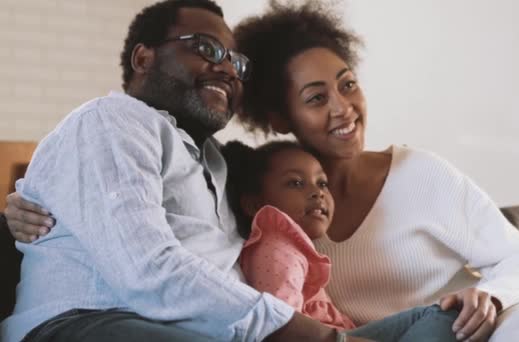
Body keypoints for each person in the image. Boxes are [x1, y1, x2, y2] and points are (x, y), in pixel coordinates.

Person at [4, 1, 519, 341]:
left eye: (348, 84)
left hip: (274, 332)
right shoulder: (229, 172)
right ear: (281, 116)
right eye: (314, 97)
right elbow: (139, 252)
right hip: (146, 323)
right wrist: (24, 203)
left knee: (455, 326)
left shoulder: (226, 167)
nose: (341, 107)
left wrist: (489, 299)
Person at [0, 0, 372, 341]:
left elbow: (290, 193)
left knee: (426, 323)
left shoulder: (223, 163)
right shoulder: (112, 121)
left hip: (204, 331)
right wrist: (317, 336)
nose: (227, 69)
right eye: (206, 48)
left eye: (237, 63)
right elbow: (147, 272)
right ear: (143, 59)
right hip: (92, 321)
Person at [221, 140, 459, 341]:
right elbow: (281, 326)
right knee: (442, 316)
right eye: (295, 183)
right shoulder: (277, 248)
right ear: (254, 204)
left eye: (322, 183)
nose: (318, 192)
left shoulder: (290, 248)